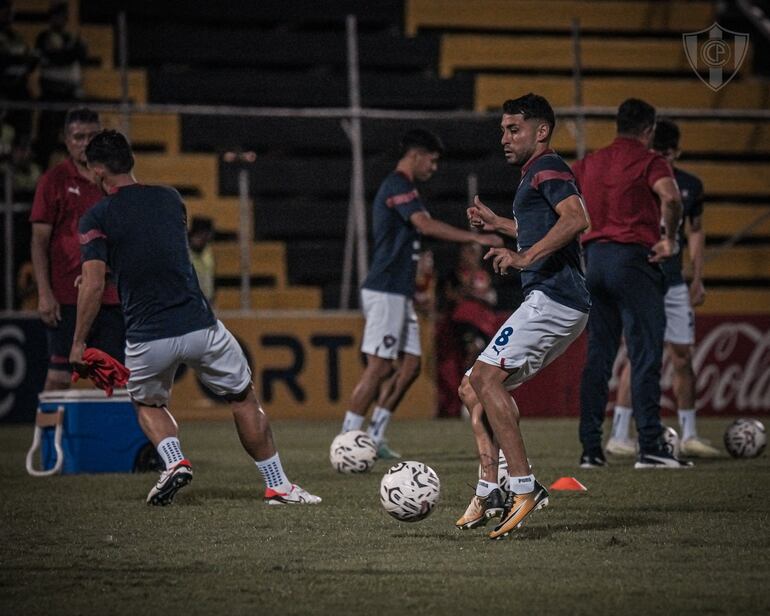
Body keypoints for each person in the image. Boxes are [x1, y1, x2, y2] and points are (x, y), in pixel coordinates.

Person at [70, 130, 320, 506]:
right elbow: (156, 250)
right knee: (242, 399)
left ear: (100, 170)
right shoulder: (171, 199)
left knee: (148, 404)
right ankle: (278, 485)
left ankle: (174, 461)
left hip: (146, 336)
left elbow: (91, 284)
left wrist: (78, 342)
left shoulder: (96, 215)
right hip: (200, 326)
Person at [455, 93, 591, 539]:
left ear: (541, 131)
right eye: (503, 130)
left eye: (514, 129)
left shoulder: (549, 167)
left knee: (486, 378)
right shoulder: (533, 174)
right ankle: (490, 488)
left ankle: (524, 486)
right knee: (472, 385)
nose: (505, 138)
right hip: (551, 298)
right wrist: (499, 223)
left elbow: (576, 219)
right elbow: (542, 223)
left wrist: (523, 256)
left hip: (556, 297)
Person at [337, 128, 502, 459]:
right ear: (416, 155)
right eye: (433, 159)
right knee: (380, 367)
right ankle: (345, 442)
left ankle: (375, 436)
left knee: (411, 365)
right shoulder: (397, 185)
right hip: (385, 290)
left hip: (400, 292)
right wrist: (476, 239)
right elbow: (425, 226)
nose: (434, 167)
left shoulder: (406, 188)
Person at [574, 98, 691, 469]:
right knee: (644, 355)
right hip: (632, 261)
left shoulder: (590, 162)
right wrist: (669, 238)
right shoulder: (650, 160)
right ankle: (651, 446)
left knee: (598, 358)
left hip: (594, 263)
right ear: (649, 129)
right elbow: (671, 197)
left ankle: (591, 449)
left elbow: (561, 200)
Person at [606, 119, 720, 458]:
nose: (658, 159)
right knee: (638, 354)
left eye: (664, 154)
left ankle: (690, 434)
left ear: (675, 153)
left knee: (682, 357)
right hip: (642, 281)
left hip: (673, 283)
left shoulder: (689, 185)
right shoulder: (635, 179)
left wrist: (696, 276)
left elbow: (695, 231)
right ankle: (619, 433)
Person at [30, 107, 124, 393]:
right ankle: (47, 438)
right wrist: (44, 293)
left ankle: (113, 438)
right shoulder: (54, 180)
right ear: (66, 140)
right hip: (68, 297)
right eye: (77, 137)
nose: (84, 143)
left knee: (113, 380)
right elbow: (39, 242)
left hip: (110, 297)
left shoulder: (114, 181)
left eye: (91, 136)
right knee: (59, 377)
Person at [34, 0, 88, 168]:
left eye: (63, 16)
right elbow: (59, 57)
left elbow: (80, 55)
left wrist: (74, 51)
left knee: (73, 142)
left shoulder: (70, 38)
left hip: (69, 98)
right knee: (46, 142)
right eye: (56, 16)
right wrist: (71, 52)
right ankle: (41, 178)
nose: (60, 20)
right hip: (51, 97)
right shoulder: (45, 37)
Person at [188, 215, 216, 305]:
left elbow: (212, 276)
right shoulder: (185, 254)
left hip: (207, 301)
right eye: (201, 236)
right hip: (190, 302)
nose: (203, 241)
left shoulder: (207, 252)